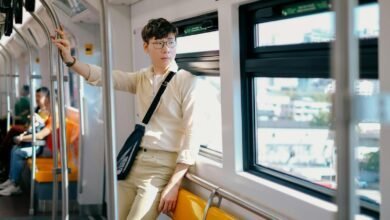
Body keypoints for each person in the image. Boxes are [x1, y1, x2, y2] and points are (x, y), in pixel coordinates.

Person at [52, 18, 201, 219]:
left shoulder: (187, 81)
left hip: (161, 167)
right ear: (146, 46)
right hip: (135, 161)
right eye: (159, 43)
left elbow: (192, 134)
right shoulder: (142, 78)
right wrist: (71, 60)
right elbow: (105, 77)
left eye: (171, 42)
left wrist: (174, 184)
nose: (166, 48)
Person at [0, 87, 53, 196]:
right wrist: (23, 136)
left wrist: (22, 138)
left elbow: (40, 135)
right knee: (14, 148)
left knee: (19, 152)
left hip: (42, 146)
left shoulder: (50, 115)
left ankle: (15, 184)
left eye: (39, 96)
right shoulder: (38, 111)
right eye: (36, 96)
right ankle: (12, 179)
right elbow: (31, 129)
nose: (37, 99)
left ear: (46, 98)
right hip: (35, 141)